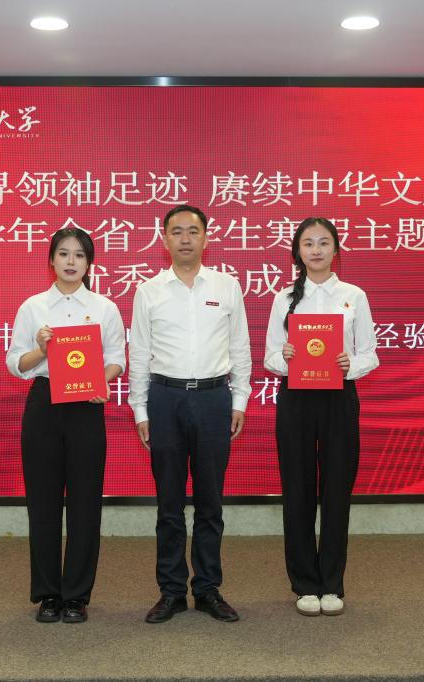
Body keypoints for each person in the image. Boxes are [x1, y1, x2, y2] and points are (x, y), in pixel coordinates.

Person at [129, 204, 252, 623]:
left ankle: (208, 589)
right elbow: (139, 353)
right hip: (165, 398)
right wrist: (140, 408)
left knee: (209, 502)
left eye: (193, 231)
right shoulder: (149, 291)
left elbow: (240, 348)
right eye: (177, 231)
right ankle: (171, 592)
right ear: (164, 239)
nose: (185, 238)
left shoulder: (227, 286)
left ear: (206, 238)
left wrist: (239, 401)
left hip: (214, 398)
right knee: (169, 504)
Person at [6, 227, 126, 624]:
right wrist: (41, 349)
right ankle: (47, 594)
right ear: (51, 260)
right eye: (63, 253)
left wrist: (100, 383)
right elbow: (16, 364)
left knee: (85, 504)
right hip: (44, 404)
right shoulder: (33, 307)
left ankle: (76, 595)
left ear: (89, 263)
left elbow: (116, 359)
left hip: (86, 407)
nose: (71, 261)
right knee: (42, 503)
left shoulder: (105, 308)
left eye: (79, 255)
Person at [263, 217, 379, 617]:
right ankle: (304, 583)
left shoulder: (353, 296)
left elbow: (370, 353)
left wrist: (350, 365)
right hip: (296, 398)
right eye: (308, 243)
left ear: (336, 250)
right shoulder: (284, 298)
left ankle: (332, 582)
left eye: (324, 242)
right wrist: (286, 357)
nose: (316, 250)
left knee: (336, 490)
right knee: (297, 489)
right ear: (297, 251)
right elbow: (270, 355)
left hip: (338, 398)